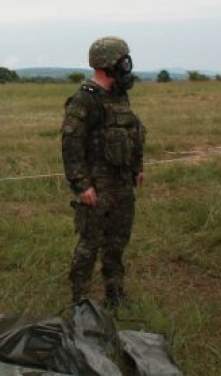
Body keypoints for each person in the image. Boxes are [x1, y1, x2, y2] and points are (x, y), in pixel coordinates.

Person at [61, 36, 146, 308]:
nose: (127, 66)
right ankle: (80, 300)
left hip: (122, 183)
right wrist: (82, 185)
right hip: (97, 186)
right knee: (90, 244)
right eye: (123, 61)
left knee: (117, 241)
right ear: (108, 63)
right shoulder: (84, 99)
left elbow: (132, 133)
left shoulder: (120, 95)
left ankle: (115, 293)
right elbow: (71, 145)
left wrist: (137, 167)